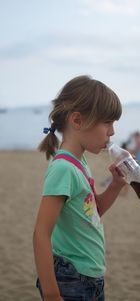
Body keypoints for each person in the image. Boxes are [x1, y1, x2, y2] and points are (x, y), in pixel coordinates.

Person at [33, 75, 127, 301]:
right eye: (107, 122)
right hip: (73, 280)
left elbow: (89, 215)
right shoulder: (64, 169)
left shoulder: (79, 163)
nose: (112, 132)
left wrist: (115, 186)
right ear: (77, 121)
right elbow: (41, 234)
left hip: (90, 278)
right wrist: (52, 294)